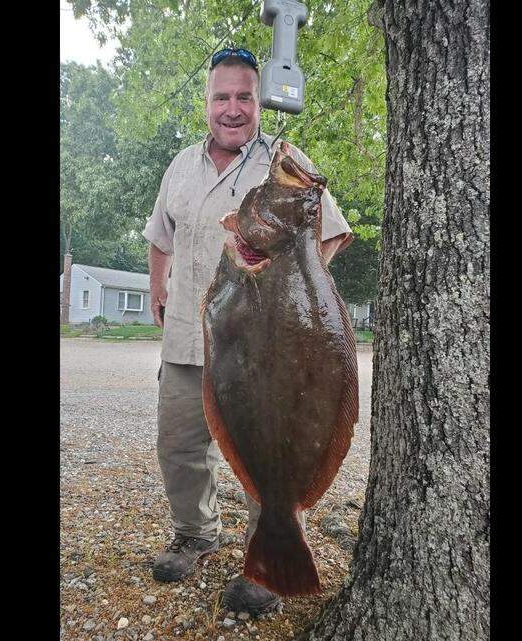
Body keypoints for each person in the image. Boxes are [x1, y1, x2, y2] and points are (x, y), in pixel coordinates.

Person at [141, 47, 353, 615]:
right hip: (187, 336)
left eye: (244, 97)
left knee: (270, 443)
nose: (232, 108)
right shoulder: (180, 166)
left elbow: (331, 234)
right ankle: (195, 534)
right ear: (207, 102)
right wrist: (157, 284)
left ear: (259, 102)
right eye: (222, 97)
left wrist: (289, 294)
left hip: (265, 350)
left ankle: (269, 557)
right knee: (179, 444)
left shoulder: (285, 161)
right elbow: (160, 235)